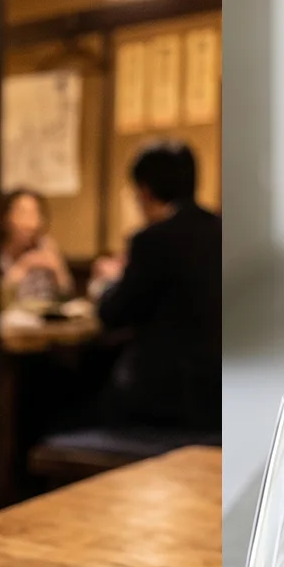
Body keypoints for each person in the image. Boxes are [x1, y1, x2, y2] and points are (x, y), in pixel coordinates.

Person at [87, 141, 221, 431]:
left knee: (74, 397)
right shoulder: (221, 229)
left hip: (165, 395)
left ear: (144, 190)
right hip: (219, 393)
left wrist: (107, 282)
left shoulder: (153, 240)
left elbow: (113, 313)